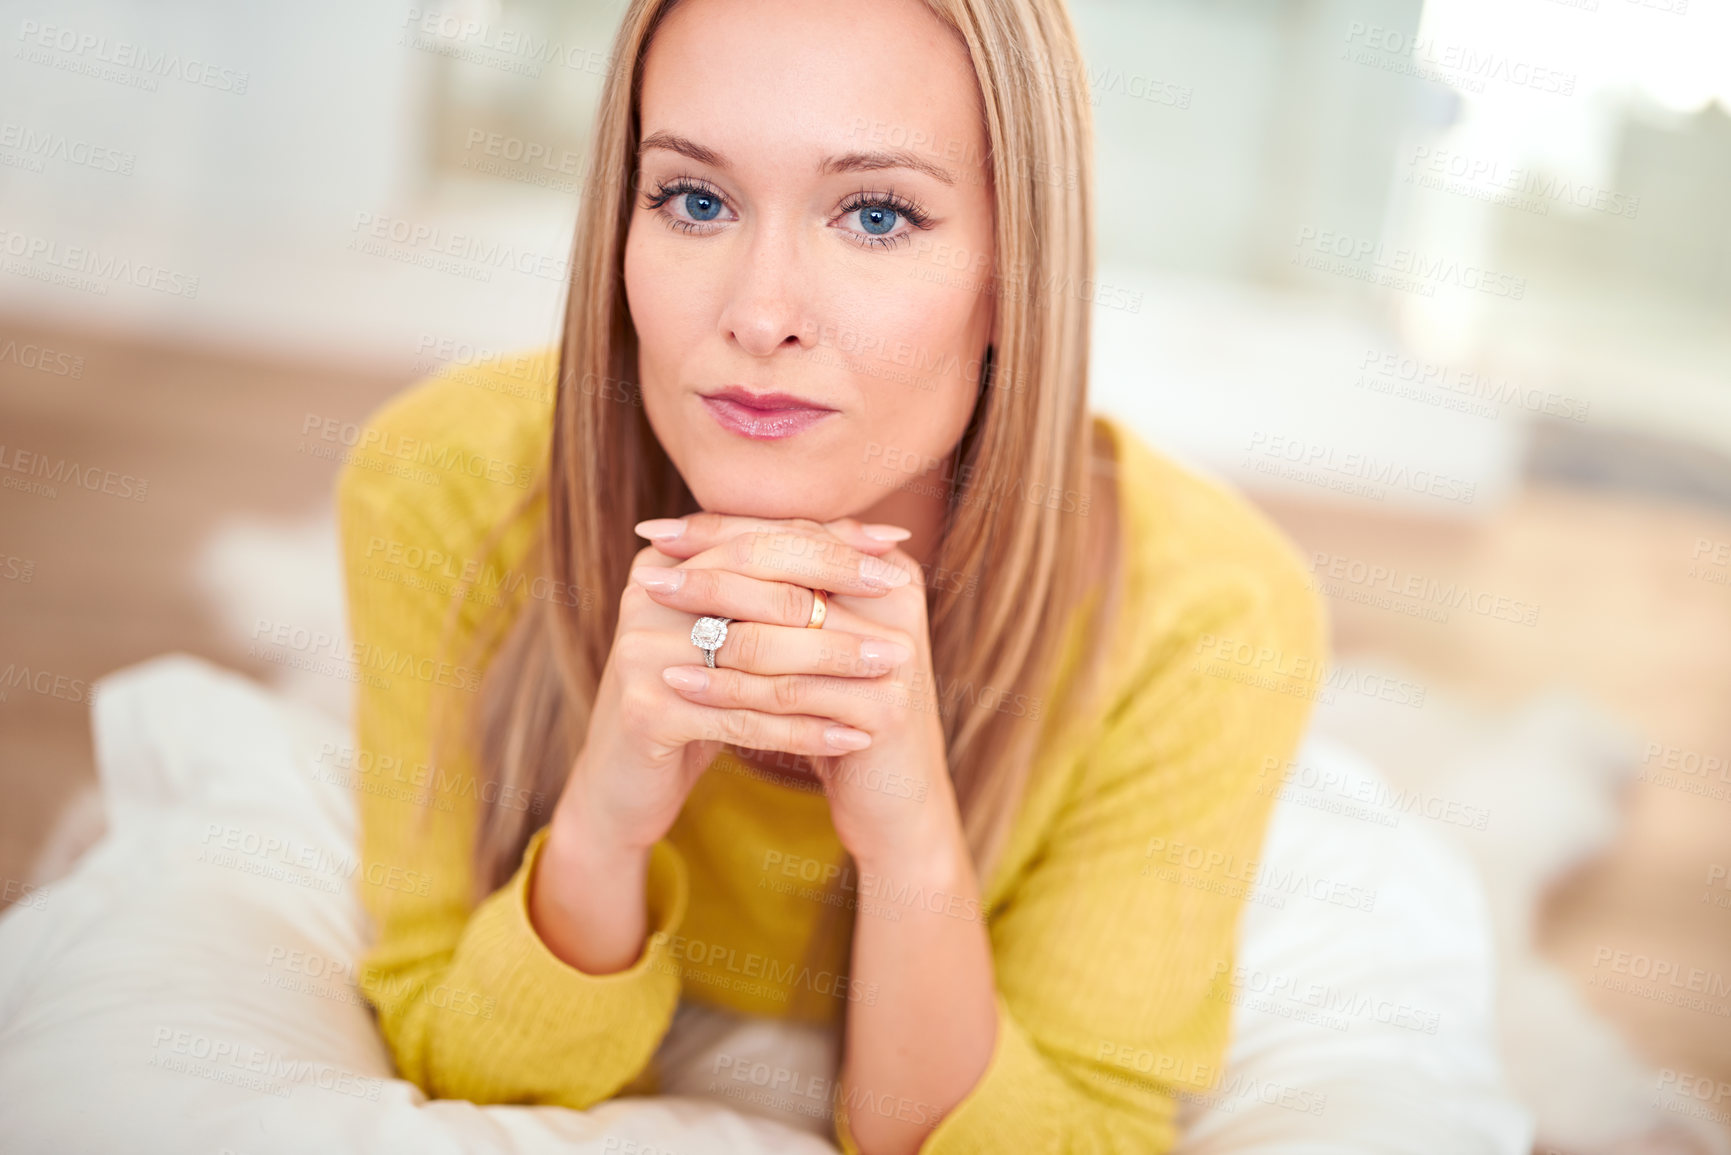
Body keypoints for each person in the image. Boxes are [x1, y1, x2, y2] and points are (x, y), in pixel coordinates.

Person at [336, 0, 1328, 1151]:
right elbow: (460, 1065)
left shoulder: (1212, 615)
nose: (760, 317)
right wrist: (605, 825)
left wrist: (909, 842)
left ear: (1014, 271)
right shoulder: (444, 482)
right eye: (694, 201)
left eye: (877, 214)